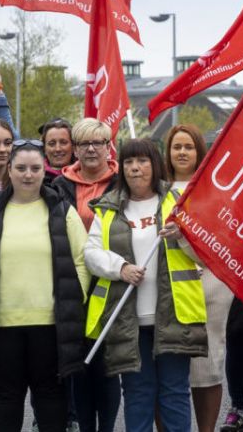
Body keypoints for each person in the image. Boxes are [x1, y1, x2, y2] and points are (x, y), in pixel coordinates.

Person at [0, 139, 89, 432]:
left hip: (51, 323)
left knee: (50, 398)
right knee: (7, 399)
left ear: (44, 171)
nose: (27, 175)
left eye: (34, 168)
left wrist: (74, 297)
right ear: (10, 169)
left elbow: (82, 260)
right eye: (21, 168)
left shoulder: (62, 210)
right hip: (3, 324)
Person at [83, 138, 208, 432]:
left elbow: (203, 253)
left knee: (175, 393)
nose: (135, 168)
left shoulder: (178, 201)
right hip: (128, 319)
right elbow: (90, 254)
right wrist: (121, 268)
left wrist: (182, 236)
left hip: (174, 315)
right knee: (138, 396)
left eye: (142, 161)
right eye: (128, 162)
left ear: (155, 164)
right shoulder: (109, 207)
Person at [51, 118, 121, 432]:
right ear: (75, 149)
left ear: (109, 147)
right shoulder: (57, 186)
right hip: (72, 285)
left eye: (98, 143)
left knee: (107, 367)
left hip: (111, 283)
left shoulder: (124, 184)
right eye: (83, 143)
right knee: (78, 364)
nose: (91, 149)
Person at [165, 125, 234, 432]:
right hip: (167, 290)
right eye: (176, 146)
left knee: (207, 368)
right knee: (167, 372)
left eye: (189, 147)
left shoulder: (215, 190)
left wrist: (183, 238)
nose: (182, 152)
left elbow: (220, 243)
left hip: (210, 288)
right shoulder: (157, 191)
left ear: (199, 152)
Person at [40, 118, 75, 184]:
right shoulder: (35, 178)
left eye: (63, 142)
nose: (58, 149)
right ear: (44, 148)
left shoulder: (86, 176)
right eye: (52, 144)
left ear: (73, 146)